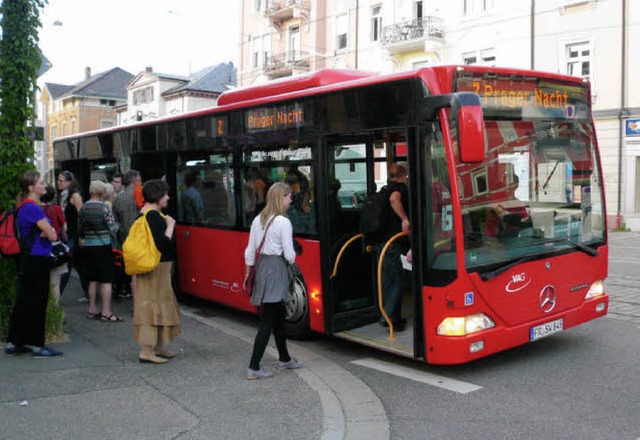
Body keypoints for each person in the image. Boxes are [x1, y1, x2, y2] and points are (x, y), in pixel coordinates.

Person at [243, 182, 302, 380]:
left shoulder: (259, 219)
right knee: (268, 320)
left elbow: (250, 250)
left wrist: (249, 270)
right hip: (276, 269)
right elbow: (290, 255)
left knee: (277, 316)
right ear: (281, 197)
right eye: (289, 196)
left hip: (261, 268)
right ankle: (253, 366)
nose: (291, 199)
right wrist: (294, 251)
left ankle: (284, 358)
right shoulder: (284, 222)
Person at [5, 171, 62, 357]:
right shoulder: (34, 208)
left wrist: (47, 230)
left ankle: (15, 341)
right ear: (32, 188)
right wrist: (48, 230)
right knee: (38, 302)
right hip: (37, 258)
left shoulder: (22, 206)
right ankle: (37, 344)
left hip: (26, 258)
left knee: (24, 300)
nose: (45, 185)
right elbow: (53, 235)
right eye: (42, 182)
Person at [133, 179, 181, 364]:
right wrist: (170, 226)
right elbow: (162, 244)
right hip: (156, 268)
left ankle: (158, 346)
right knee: (152, 305)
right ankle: (147, 350)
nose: (168, 197)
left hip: (158, 268)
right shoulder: (152, 216)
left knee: (160, 304)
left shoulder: (147, 214)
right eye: (165, 194)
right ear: (157, 196)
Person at [78, 180, 122, 322]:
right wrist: (118, 227)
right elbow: (112, 228)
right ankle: (106, 312)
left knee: (92, 279)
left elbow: (81, 229)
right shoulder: (104, 208)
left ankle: (92, 309)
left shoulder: (84, 208)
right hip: (103, 246)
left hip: (88, 246)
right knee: (106, 280)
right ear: (102, 193)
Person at [375, 163, 411, 331]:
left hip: (381, 243)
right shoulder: (399, 189)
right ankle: (388, 318)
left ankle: (392, 317)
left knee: (387, 281)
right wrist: (404, 219)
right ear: (403, 176)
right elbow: (394, 199)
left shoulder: (383, 189)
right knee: (397, 280)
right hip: (394, 244)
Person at [56, 170, 88, 301]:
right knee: (79, 263)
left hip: (74, 233)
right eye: (58, 180)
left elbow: (82, 215)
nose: (58, 183)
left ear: (69, 182)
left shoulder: (74, 195)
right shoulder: (61, 196)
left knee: (67, 262)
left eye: (61, 180)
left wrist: (82, 235)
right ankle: (88, 291)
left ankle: (57, 295)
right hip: (65, 234)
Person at [112, 170, 142, 299]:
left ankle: (128, 291)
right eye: (140, 179)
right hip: (141, 237)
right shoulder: (141, 195)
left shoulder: (118, 198)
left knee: (130, 269)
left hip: (125, 238)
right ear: (134, 181)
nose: (141, 182)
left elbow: (115, 221)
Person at [41, 184, 68, 303]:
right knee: (55, 283)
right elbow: (65, 228)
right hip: (55, 247)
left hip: (39, 247)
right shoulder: (56, 209)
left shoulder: (35, 208)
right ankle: (54, 312)